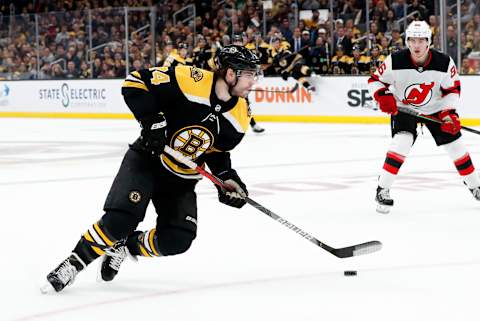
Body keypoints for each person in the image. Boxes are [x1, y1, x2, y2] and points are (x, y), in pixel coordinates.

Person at [42, 45, 261, 293]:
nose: (254, 81)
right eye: (249, 74)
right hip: (147, 160)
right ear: (230, 74)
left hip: (181, 180)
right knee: (121, 219)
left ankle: (125, 246)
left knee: (178, 239)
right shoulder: (189, 79)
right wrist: (152, 121)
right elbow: (135, 83)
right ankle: (74, 263)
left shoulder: (241, 115)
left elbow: (217, 153)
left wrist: (227, 179)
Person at [368, 20, 480, 214]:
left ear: (428, 41)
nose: (416, 45)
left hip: (436, 109)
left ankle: (475, 186)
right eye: (412, 40)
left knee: (456, 146)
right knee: (402, 142)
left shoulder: (444, 62)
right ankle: (382, 189)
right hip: (404, 108)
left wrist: (448, 113)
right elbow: (376, 81)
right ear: (407, 41)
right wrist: (383, 96)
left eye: (421, 40)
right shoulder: (395, 60)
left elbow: (452, 90)